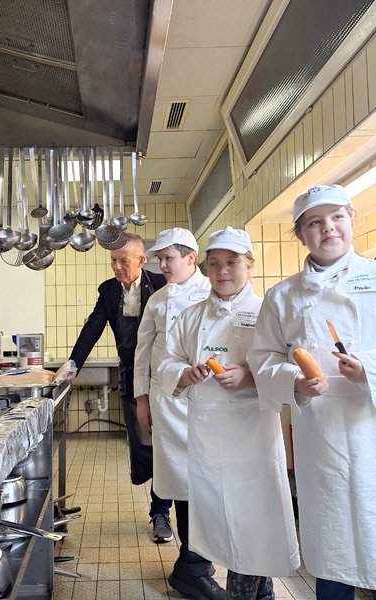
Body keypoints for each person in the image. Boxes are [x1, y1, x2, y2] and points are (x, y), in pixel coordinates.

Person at [248, 185, 376, 600]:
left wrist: (373, 368)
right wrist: (294, 381)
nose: (328, 228)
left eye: (337, 217)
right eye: (314, 222)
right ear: (300, 234)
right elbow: (262, 358)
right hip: (323, 437)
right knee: (332, 548)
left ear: (352, 221)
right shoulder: (283, 295)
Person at [158, 226, 300, 600]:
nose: (222, 271)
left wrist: (250, 376)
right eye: (215, 264)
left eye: (232, 263)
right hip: (207, 433)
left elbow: (288, 364)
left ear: (249, 265)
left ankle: (250, 593)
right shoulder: (190, 317)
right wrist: (184, 373)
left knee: (255, 519)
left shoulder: (266, 311)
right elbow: (166, 361)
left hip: (253, 430)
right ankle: (259, 591)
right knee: (225, 521)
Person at [133, 228, 220, 599]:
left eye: (169, 258)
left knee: (207, 483)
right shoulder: (158, 299)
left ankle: (196, 560)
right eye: (160, 259)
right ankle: (191, 566)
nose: (162, 265)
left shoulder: (214, 293)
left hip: (212, 400)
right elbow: (143, 351)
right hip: (168, 400)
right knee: (185, 482)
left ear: (190, 258)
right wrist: (141, 399)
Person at [68, 233, 171, 542]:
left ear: (141, 261)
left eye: (123, 261)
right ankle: (160, 509)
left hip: (166, 379)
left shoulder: (163, 286)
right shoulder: (110, 291)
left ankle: (162, 511)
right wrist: (73, 363)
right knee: (143, 445)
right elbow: (93, 327)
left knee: (168, 445)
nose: (116, 267)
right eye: (113, 261)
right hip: (131, 378)